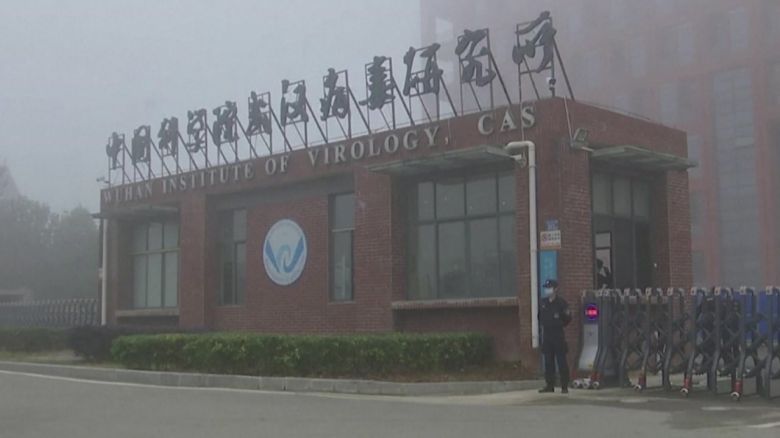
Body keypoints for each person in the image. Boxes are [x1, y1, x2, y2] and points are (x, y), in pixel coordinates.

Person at [538, 279, 572, 393]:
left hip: (558, 335)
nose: (547, 290)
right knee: (548, 362)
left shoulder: (561, 303)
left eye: (549, 287)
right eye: (546, 288)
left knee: (561, 361)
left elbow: (567, 318)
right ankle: (549, 385)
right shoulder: (543, 302)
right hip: (547, 335)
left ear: (555, 289)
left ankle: (564, 386)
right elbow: (540, 317)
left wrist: (559, 324)